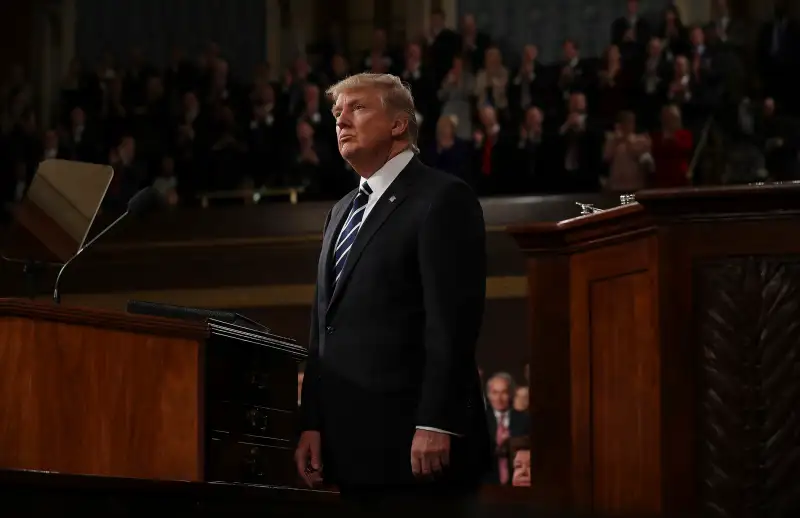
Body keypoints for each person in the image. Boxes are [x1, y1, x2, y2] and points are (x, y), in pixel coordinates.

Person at [294, 72, 490, 513]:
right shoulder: (341, 211)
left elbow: (452, 324)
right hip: (349, 452)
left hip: (416, 451)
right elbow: (321, 329)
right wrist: (312, 423)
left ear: (399, 123)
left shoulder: (441, 198)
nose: (341, 119)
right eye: (336, 112)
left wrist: (436, 420)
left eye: (357, 107)